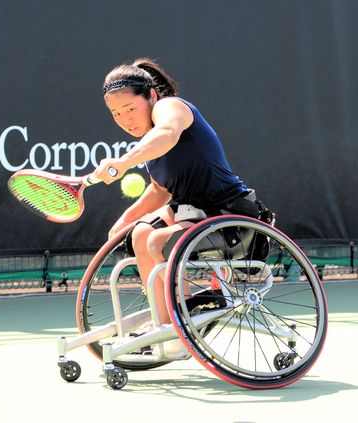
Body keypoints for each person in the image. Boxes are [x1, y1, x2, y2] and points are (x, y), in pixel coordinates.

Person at [94, 58, 257, 359]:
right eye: (116, 114)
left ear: (152, 97)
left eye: (130, 109)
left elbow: (168, 133)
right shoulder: (148, 144)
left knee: (157, 240)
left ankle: (183, 324)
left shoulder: (170, 108)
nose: (125, 119)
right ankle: (165, 324)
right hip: (192, 216)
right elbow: (160, 190)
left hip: (230, 217)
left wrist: (124, 162)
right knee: (140, 233)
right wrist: (125, 221)